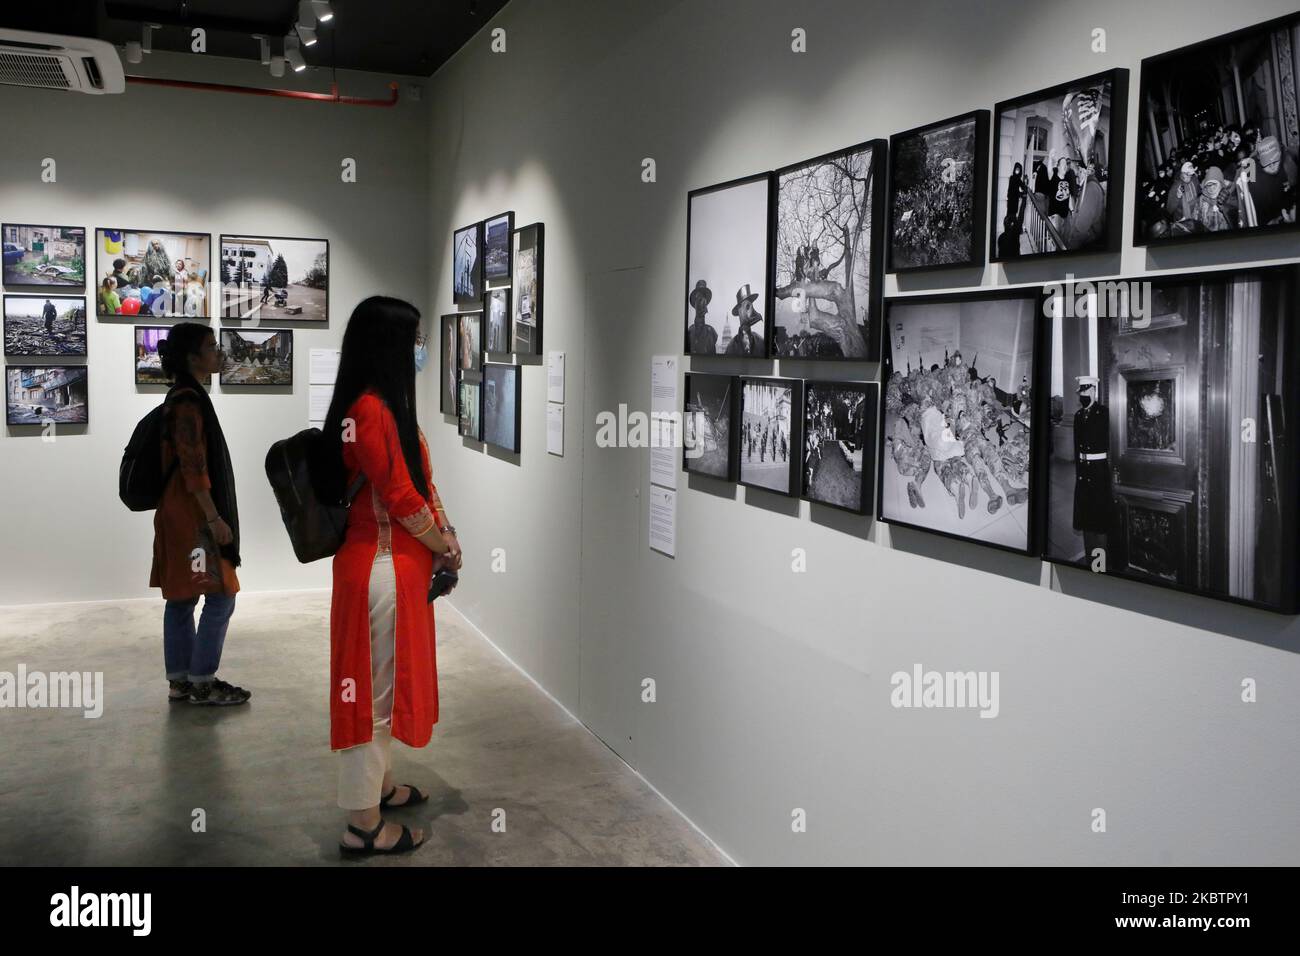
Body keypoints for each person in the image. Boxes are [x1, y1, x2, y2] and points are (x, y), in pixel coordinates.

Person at [321, 296, 462, 856]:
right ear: (391, 345)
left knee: (381, 683)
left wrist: (444, 535)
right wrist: (442, 543)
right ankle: (362, 825)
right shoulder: (371, 410)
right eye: (416, 339)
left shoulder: (381, 406)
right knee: (372, 695)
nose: (421, 350)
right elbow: (401, 498)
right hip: (379, 568)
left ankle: (378, 789)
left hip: (391, 567)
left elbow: (420, 485)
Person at [152, 323, 249, 706]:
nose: (219, 352)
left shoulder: (179, 396)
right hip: (193, 517)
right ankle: (202, 681)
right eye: (211, 346)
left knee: (181, 599)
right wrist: (214, 519)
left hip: (175, 512)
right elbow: (194, 467)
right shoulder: (189, 403)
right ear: (193, 357)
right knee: (221, 595)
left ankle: (180, 681)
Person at [1072, 375, 1114, 562]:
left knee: (1100, 521)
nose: (1083, 394)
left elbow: (1112, 443)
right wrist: (1078, 473)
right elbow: (1076, 447)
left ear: (1094, 391)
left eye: (1087, 391)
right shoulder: (1078, 416)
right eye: (1081, 391)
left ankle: (1101, 564)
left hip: (1099, 471)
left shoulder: (1104, 413)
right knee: (1087, 519)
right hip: (1083, 473)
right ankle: (1091, 561)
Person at [723, 284, 764, 356]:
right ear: (739, 311)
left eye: (750, 305)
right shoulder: (731, 347)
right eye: (747, 306)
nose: (751, 310)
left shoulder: (761, 341)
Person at [686, 280, 718, 354]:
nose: (701, 301)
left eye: (703, 298)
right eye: (698, 298)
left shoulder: (712, 332)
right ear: (695, 304)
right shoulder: (690, 331)